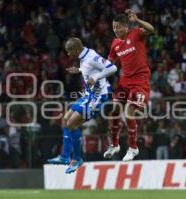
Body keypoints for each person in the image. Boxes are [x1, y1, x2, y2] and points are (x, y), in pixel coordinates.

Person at [47, 37, 117, 173]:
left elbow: (112, 68)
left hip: (99, 96)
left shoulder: (92, 57)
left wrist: (96, 77)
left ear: (77, 49)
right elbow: (90, 68)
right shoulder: (84, 57)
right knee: (66, 119)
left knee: (72, 123)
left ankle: (77, 159)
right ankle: (65, 156)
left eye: (69, 51)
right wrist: (79, 70)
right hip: (89, 95)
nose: (68, 54)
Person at [103, 9, 154, 161]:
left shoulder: (136, 34)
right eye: (114, 28)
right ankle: (115, 145)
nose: (116, 30)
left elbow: (151, 30)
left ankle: (133, 147)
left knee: (129, 111)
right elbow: (109, 63)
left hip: (140, 81)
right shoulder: (115, 44)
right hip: (125, 81)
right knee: (114, 112)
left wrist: (137, 20)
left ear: (126, 26)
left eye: (118, 27)